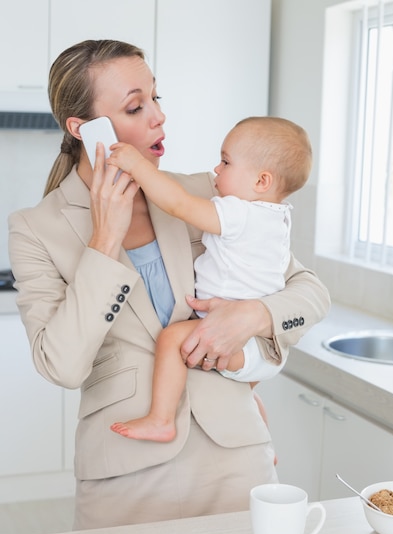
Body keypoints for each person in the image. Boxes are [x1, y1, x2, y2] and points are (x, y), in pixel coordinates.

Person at [8, 40, 330, 530]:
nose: (158, 117)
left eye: (157, 98)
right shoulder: (35, 227)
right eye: (137, 106)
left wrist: (254, 315)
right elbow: (63, 366)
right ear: (83, 129)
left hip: (235, 458)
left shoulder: (207, 193)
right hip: (123, 471)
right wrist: (104, 241)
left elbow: (310, 292)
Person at [108, 116, 312, 443]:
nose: (216, 170)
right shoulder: (277, 216)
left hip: (244, 342)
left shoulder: (240, 214)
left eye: (226, 162)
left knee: (172, 340)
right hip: (265, 349)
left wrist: (136, 164)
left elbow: (178, 204)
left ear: (261, 181)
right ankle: (264, 439)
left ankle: (161, 419)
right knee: (242, 397)